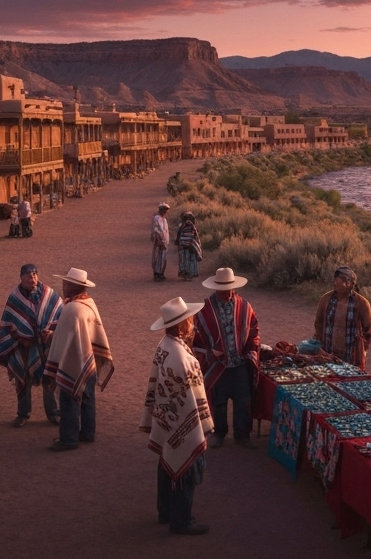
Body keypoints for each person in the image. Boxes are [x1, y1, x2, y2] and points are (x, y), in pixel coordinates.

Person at [142, 296, 213, 536]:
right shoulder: (183, 358)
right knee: (185, 467)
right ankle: (181, 520)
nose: (193, 323)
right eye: (189, 320)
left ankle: (165, 511)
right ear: (182, 325)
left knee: (166, 461)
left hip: (168, 421)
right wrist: (202, 424)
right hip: (183, 424)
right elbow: (193, 397)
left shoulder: (165, 346)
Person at [43, 268, 114, 452]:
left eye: (66, 284)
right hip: (89, 359)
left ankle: (68, 438)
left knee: (69, 397)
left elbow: (64, 338)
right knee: (88, 397)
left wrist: (51, 337)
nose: (63, 287)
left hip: (74, 362)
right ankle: (88, 433)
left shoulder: (71, 308)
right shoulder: (89, 303)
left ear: (74, 287)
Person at [193, 268, 260, 447]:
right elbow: (195, 337)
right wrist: (209, 352)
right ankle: (219, 433)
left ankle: (242, 434)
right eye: (223, 288)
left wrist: (251, 352)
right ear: (216, 288)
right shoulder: (204, 311)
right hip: (217, 366)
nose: (227, 292)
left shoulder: (244, 306)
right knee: (218, 401)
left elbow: (254, 330)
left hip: (239, 364)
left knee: (243, 400)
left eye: (229, 288)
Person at [0, 263, 64, 427]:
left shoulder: (49, 295)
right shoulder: (15, 297)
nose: (32, 278)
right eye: (28, 275)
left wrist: (51, 333)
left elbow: (60, 315)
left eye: (34, 274)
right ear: (21, 278)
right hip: (24, 348)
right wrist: (20, 337)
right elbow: (9, 322)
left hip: (46, 347)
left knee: (49, 377)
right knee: (23, 379)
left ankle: (53, 413)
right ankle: (23, 414)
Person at [312, 266, 371, 369]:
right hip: (327, 353)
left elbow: (369, 327)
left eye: (337, 280)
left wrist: (363, 347)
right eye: (334, 280)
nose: (334, 283)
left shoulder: (361, 303)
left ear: (348, 282)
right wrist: (318, 342)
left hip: (351, 356)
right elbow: (318, 323)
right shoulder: (326, 299)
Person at [175, 211, 201, 281]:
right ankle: (189, 275)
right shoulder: (192, 227)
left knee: (184, 261)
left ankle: (186, 274)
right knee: (190, 261)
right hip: (190, 248)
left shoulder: (182, 226)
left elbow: (179, 237)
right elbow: (196, 238)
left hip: (184, 248)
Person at [151, 203, 171, 281]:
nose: (165, 212)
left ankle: (160, 273)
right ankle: (157, 273)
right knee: (158, 257)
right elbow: (156, 230)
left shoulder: (164, 220)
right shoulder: (157, 218)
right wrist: (159, 240)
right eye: (164, 210)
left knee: (162, 258)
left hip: (164, 242)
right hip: (159, 242)